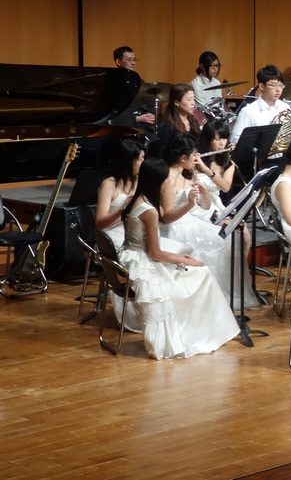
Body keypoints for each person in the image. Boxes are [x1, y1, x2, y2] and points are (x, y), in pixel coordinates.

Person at [117, 157, 240, 360]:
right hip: (142, 262)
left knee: (194, 267)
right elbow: (155, 254)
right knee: (202, 274)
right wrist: (183, 260)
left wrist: (178, 256)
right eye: (166, 178)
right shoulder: (149, 210)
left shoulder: (137, 200)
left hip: (134, 254)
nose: (169, 181)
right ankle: (199, 333)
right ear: (158, 181)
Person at [159, 135, 258, 309]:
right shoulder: (167, 180)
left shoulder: (187, 176)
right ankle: (207, 296)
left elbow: (204, 207)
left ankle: (220, 292)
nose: (197, 159)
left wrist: (203, 193)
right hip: (176, 226)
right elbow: (167, 216)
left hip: (191, 219)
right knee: (219, 240)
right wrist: (189, 204)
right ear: (183, 158)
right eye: (194, 155)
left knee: (229, 237)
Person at [231, 65, 291, 145]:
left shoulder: (285, 107)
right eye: (273, 85)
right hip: (258, 156)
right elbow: (235, 140)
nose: (278, 89)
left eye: (281, 85)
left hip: (283, 155)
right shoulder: (248, 111)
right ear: (262, 86)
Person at [95, 139, 145, 250]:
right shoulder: (109, 185)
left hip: (134, 230)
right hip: (113, 234)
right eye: (141, 159)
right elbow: (99, 223)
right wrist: (122, 210)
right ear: (129, 161)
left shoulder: (140, 181)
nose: (144, 163)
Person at [110, 46, 156, 128]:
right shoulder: (112, 84)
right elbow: (114, 113)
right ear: (118, 61)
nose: (133, 63)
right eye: (129, 60)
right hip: (127, 126)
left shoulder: (139, 81)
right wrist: (137, 119)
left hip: (145, 123)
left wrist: (151, 115)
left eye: (134, 59)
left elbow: (148, 100)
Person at [158, 84, 202, 154]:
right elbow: (164, 154)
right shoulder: (168, 126)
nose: (193, 103)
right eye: (189, 100)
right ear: (177, 102)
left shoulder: (193, 121)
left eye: (194, 99)